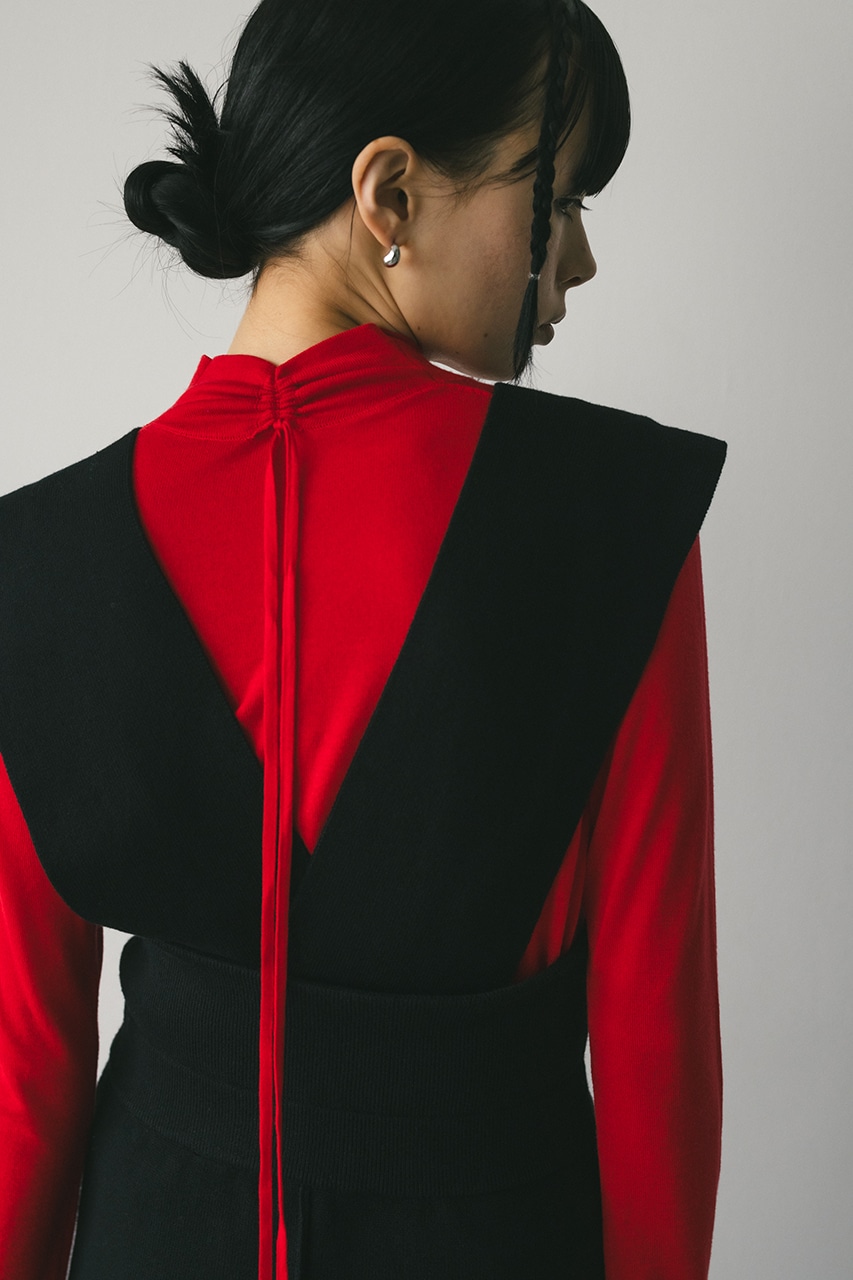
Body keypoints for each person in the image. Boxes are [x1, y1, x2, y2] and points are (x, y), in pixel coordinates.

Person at [0, 1, 727, 1277]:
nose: (576, 259)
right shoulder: (612, 523)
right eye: (556, 199)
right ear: (388, 191)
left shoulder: (33, 562)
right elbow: (653, 1041)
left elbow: (22, 1069)